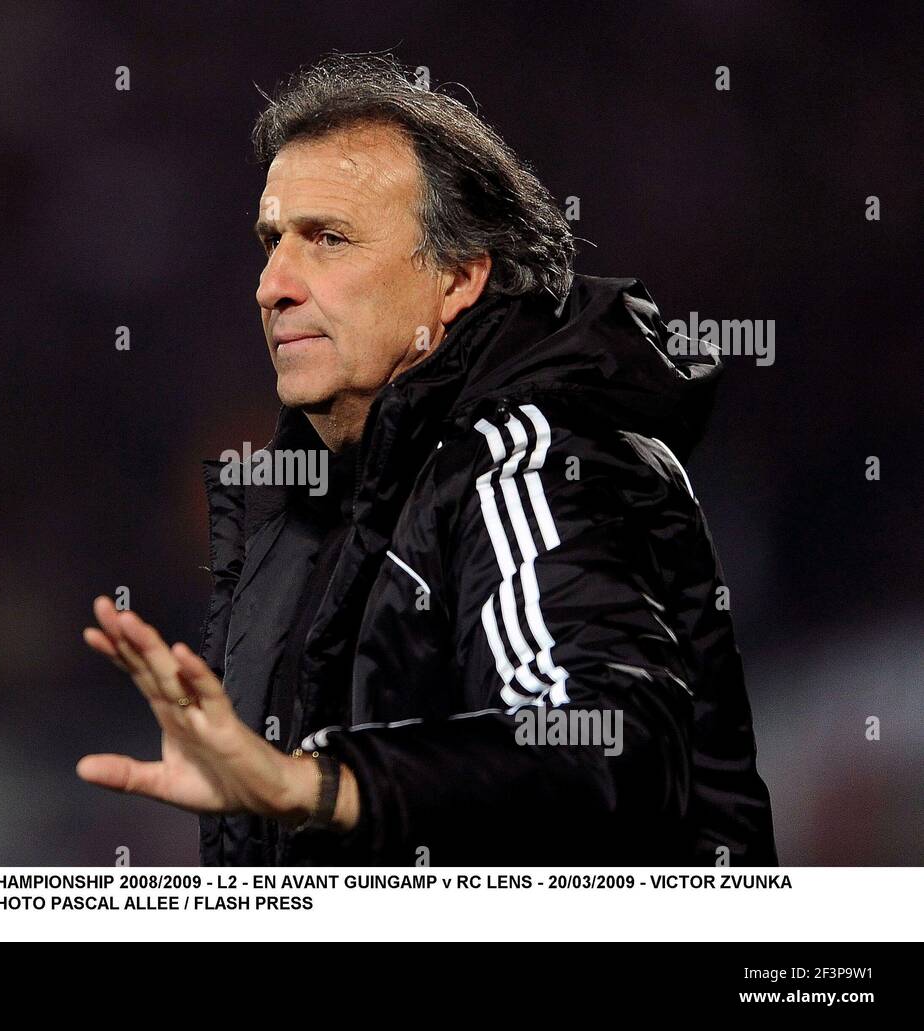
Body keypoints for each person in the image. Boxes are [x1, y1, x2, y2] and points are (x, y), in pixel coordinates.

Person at [78, 53, 777, 867]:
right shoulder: (320, 505)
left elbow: (603, 743)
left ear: (457, 279)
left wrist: (323, 787)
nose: (271, 284)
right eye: (272, 242)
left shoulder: (527, 461)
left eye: (327, 240)